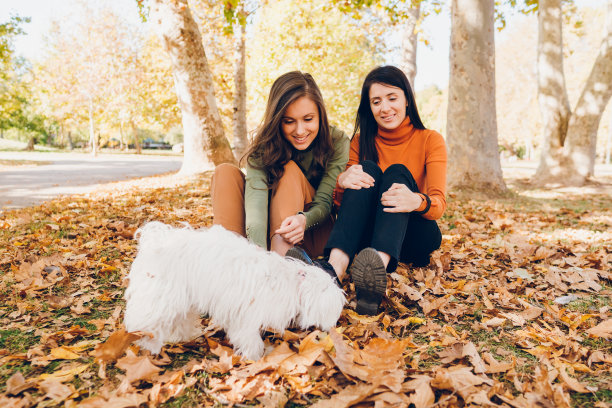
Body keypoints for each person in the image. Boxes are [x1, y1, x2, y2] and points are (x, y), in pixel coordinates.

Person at [316, 65, 447, 315]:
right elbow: (347, 209)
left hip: (415, 234)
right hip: (370, 234)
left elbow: (439, 204)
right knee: (365, 170)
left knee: (397, 173)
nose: (384, 108)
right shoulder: (359, 141)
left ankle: (375, 271)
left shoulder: (430, 140)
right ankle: (334, 270)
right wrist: (342, 183)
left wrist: (416, 200)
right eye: (376, 102)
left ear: (407, 99)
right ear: (370, 108)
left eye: (392, 98)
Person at [211, 71, 350, 259]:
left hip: (309, 230)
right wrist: (257, 251)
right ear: (277, 120)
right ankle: (233, 258)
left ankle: (279, 265)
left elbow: (324, 202)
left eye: (308, 119)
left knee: (289, 169)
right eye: (289, 121)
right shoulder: (265, 145)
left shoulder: (337, 141)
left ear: (320, 115)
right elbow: (256, 205)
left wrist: (304, 220)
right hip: (263, 236)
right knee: (225, 173)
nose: (300, 131)